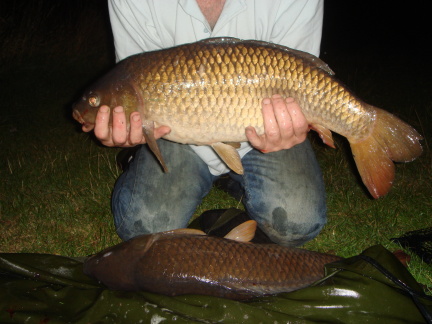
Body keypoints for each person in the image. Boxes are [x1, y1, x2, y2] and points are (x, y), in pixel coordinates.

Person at [84, 0, 326, 247]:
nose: (88, 106)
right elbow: (133, 70)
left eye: (92, 101)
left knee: (297, 223)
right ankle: (149, 161)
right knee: (143, 228)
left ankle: (235, 178)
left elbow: (302, 75)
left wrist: (291, 126)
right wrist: (129, 133)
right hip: (174, 136)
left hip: (264, 130)